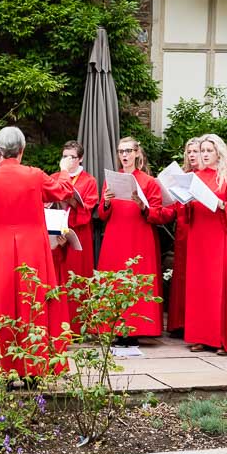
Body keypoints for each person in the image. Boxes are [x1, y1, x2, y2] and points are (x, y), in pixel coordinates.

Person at [0, 126, 76, 377]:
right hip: (32, 249)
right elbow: (62, 190)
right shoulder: (34, 175)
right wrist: (66, 171)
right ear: (22, 151)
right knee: (33, 301)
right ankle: (34, 368)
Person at [96, 136, 170, 342]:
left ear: (137, 153)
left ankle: (136, 330)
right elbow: (102, 215)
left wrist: (143, 206)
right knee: (116, 280)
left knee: (137, 280)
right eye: (121, 152)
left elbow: (158, 214)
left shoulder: (148, 181)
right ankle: (115, 328)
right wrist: (107, 202)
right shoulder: (112, 178)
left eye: (128, 151)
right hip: (115, 236)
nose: (125, 155)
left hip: (140, 236)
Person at [183, 134, 227, 354]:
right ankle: (201, 336)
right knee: (200, 286)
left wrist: (223, 204)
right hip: (199, 236)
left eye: (208, 150)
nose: (204, 154)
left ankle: (224, 339)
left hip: (222, 236)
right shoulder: (195, 177)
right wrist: (185, 202)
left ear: (218, 151)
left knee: (220, 286)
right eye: (202, 150)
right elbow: (184, 211)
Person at [48, 140, 99, 326]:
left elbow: (88, 210)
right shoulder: (54, 177)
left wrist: (72, 201)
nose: (68, 161)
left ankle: (79, 325)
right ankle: (57, 323)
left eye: (72, 157)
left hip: (78, 231)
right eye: (65, 156)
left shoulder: (89, 180)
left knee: (77, 277)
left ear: (81, 158)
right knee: (57, 277)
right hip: (56, 230)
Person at [167, 137, 201, 336]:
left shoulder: (208, 176)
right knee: (181, 276)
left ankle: (194, 323)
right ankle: (179, 322)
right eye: (189, 152)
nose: (192, 155)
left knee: (197, 276)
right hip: (182, 231)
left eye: (195, 151)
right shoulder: (183, 176)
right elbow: (172, 208)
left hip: (198, 229)